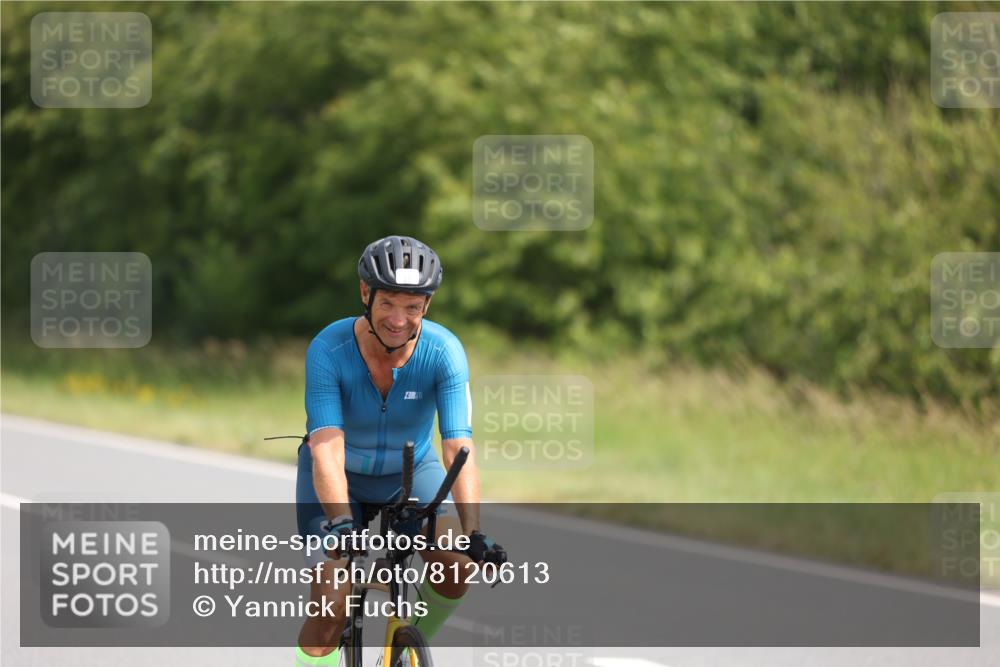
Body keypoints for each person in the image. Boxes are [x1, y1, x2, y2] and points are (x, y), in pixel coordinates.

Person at [294, 235, 505, 665]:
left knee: (456, 565)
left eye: (413, 307)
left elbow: (458, 445)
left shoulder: (444, 352)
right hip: (340, 478)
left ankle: (401, 650)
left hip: (411, 474)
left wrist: (475, 532)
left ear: (426, 305)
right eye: (389, 302)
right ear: (365, 294)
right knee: (331, 609)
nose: (398, 319)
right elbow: (327, 449)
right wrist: (338, 522)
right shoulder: (328, 350)